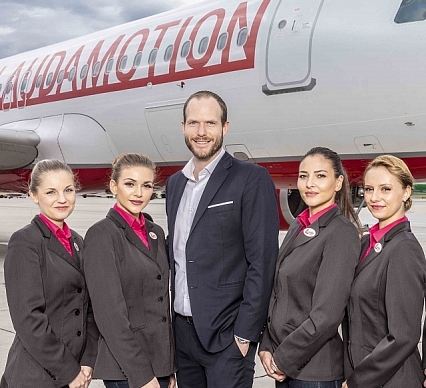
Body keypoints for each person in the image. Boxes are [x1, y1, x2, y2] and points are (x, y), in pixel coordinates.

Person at [165, 90, 279, 388]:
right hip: (182, 336)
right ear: (183, 127)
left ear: (225, 127)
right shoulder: (175, 184)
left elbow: (263, 262)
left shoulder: (250, 178)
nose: (201, 132)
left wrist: (244, 334)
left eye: (210, 123)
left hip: (227, 338)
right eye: (194, 123)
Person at [258, 147, 362, 388]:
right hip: (284, 364)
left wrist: (284, 359)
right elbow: (278, 292)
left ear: (338, 183)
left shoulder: (341, 232)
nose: (309, 184)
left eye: (320, 176)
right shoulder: (299, 225)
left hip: (314, 373)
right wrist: (266, 345)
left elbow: (327, 315)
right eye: (303, 176)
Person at [0, 159, 97, 388]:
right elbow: (28, 319)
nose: (62, 199)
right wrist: (68, 371)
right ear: (34, 195)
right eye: (51, 192)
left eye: (68, 190)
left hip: (76, 373)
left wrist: (87, 361)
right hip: (36, 376)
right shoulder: (25, 242)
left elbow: (89, 309)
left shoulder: (78, 242)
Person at [83, 153, 176, 388]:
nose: (138, 193)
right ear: (114, 186)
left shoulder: (155, 232)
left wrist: (168, 366)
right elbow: (109, 316)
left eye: (146, 185)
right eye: (130, 184)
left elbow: (160, 304)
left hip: (159, 364)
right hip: (127, 370)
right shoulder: (102, 235)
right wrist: (141, 374)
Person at [342, 155, 426, 388]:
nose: (374, 197)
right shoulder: (366, 244)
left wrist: (357, 381)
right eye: (369, 189)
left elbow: (404, 335)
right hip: (363, 372)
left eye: (386, 189)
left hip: (390, 379)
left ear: (406, 192)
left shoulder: (404, 249)